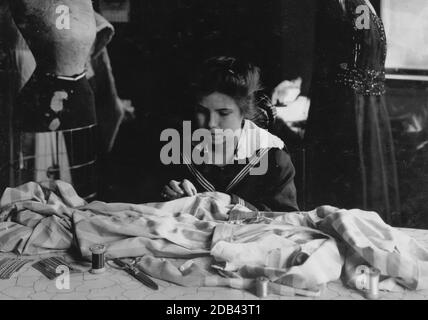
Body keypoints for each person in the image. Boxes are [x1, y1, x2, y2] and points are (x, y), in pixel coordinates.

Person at [272, 0, 400, 224]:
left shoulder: (365, 5)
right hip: (344, 110)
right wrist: (296, 85)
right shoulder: (332, 5)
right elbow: (313, 53)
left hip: (369, 111)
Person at [159, 56, 298, 212]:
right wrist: (171, 194)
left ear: (243, 113)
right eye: (202, 111)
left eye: (223, 113)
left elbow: (287, 218)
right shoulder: (178, 147)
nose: (211, 123)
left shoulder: (272, 154)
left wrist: (232, 202)